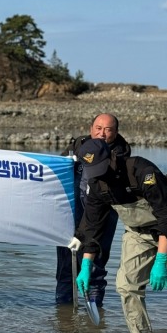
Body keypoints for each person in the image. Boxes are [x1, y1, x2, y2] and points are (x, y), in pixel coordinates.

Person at [75, 139, 167, 333]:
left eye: (102, 167)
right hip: (137, 233)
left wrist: (162, 260)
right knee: (126, 286)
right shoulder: (96, 185)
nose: (100, 174)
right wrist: (86, 266)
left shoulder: (141, 170)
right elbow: (93, 229)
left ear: (111, 156)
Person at [56, 113, 131, 307]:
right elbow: (57, 168)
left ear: (116, 132)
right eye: (98, 128)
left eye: (108, 129)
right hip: (73, 211)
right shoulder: (79, 144)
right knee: (67, 263)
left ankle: (95, 306)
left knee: (95, 262)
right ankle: (64, 312)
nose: (102, 133)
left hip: (103, 213)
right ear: (91, 129)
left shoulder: (121, 154)